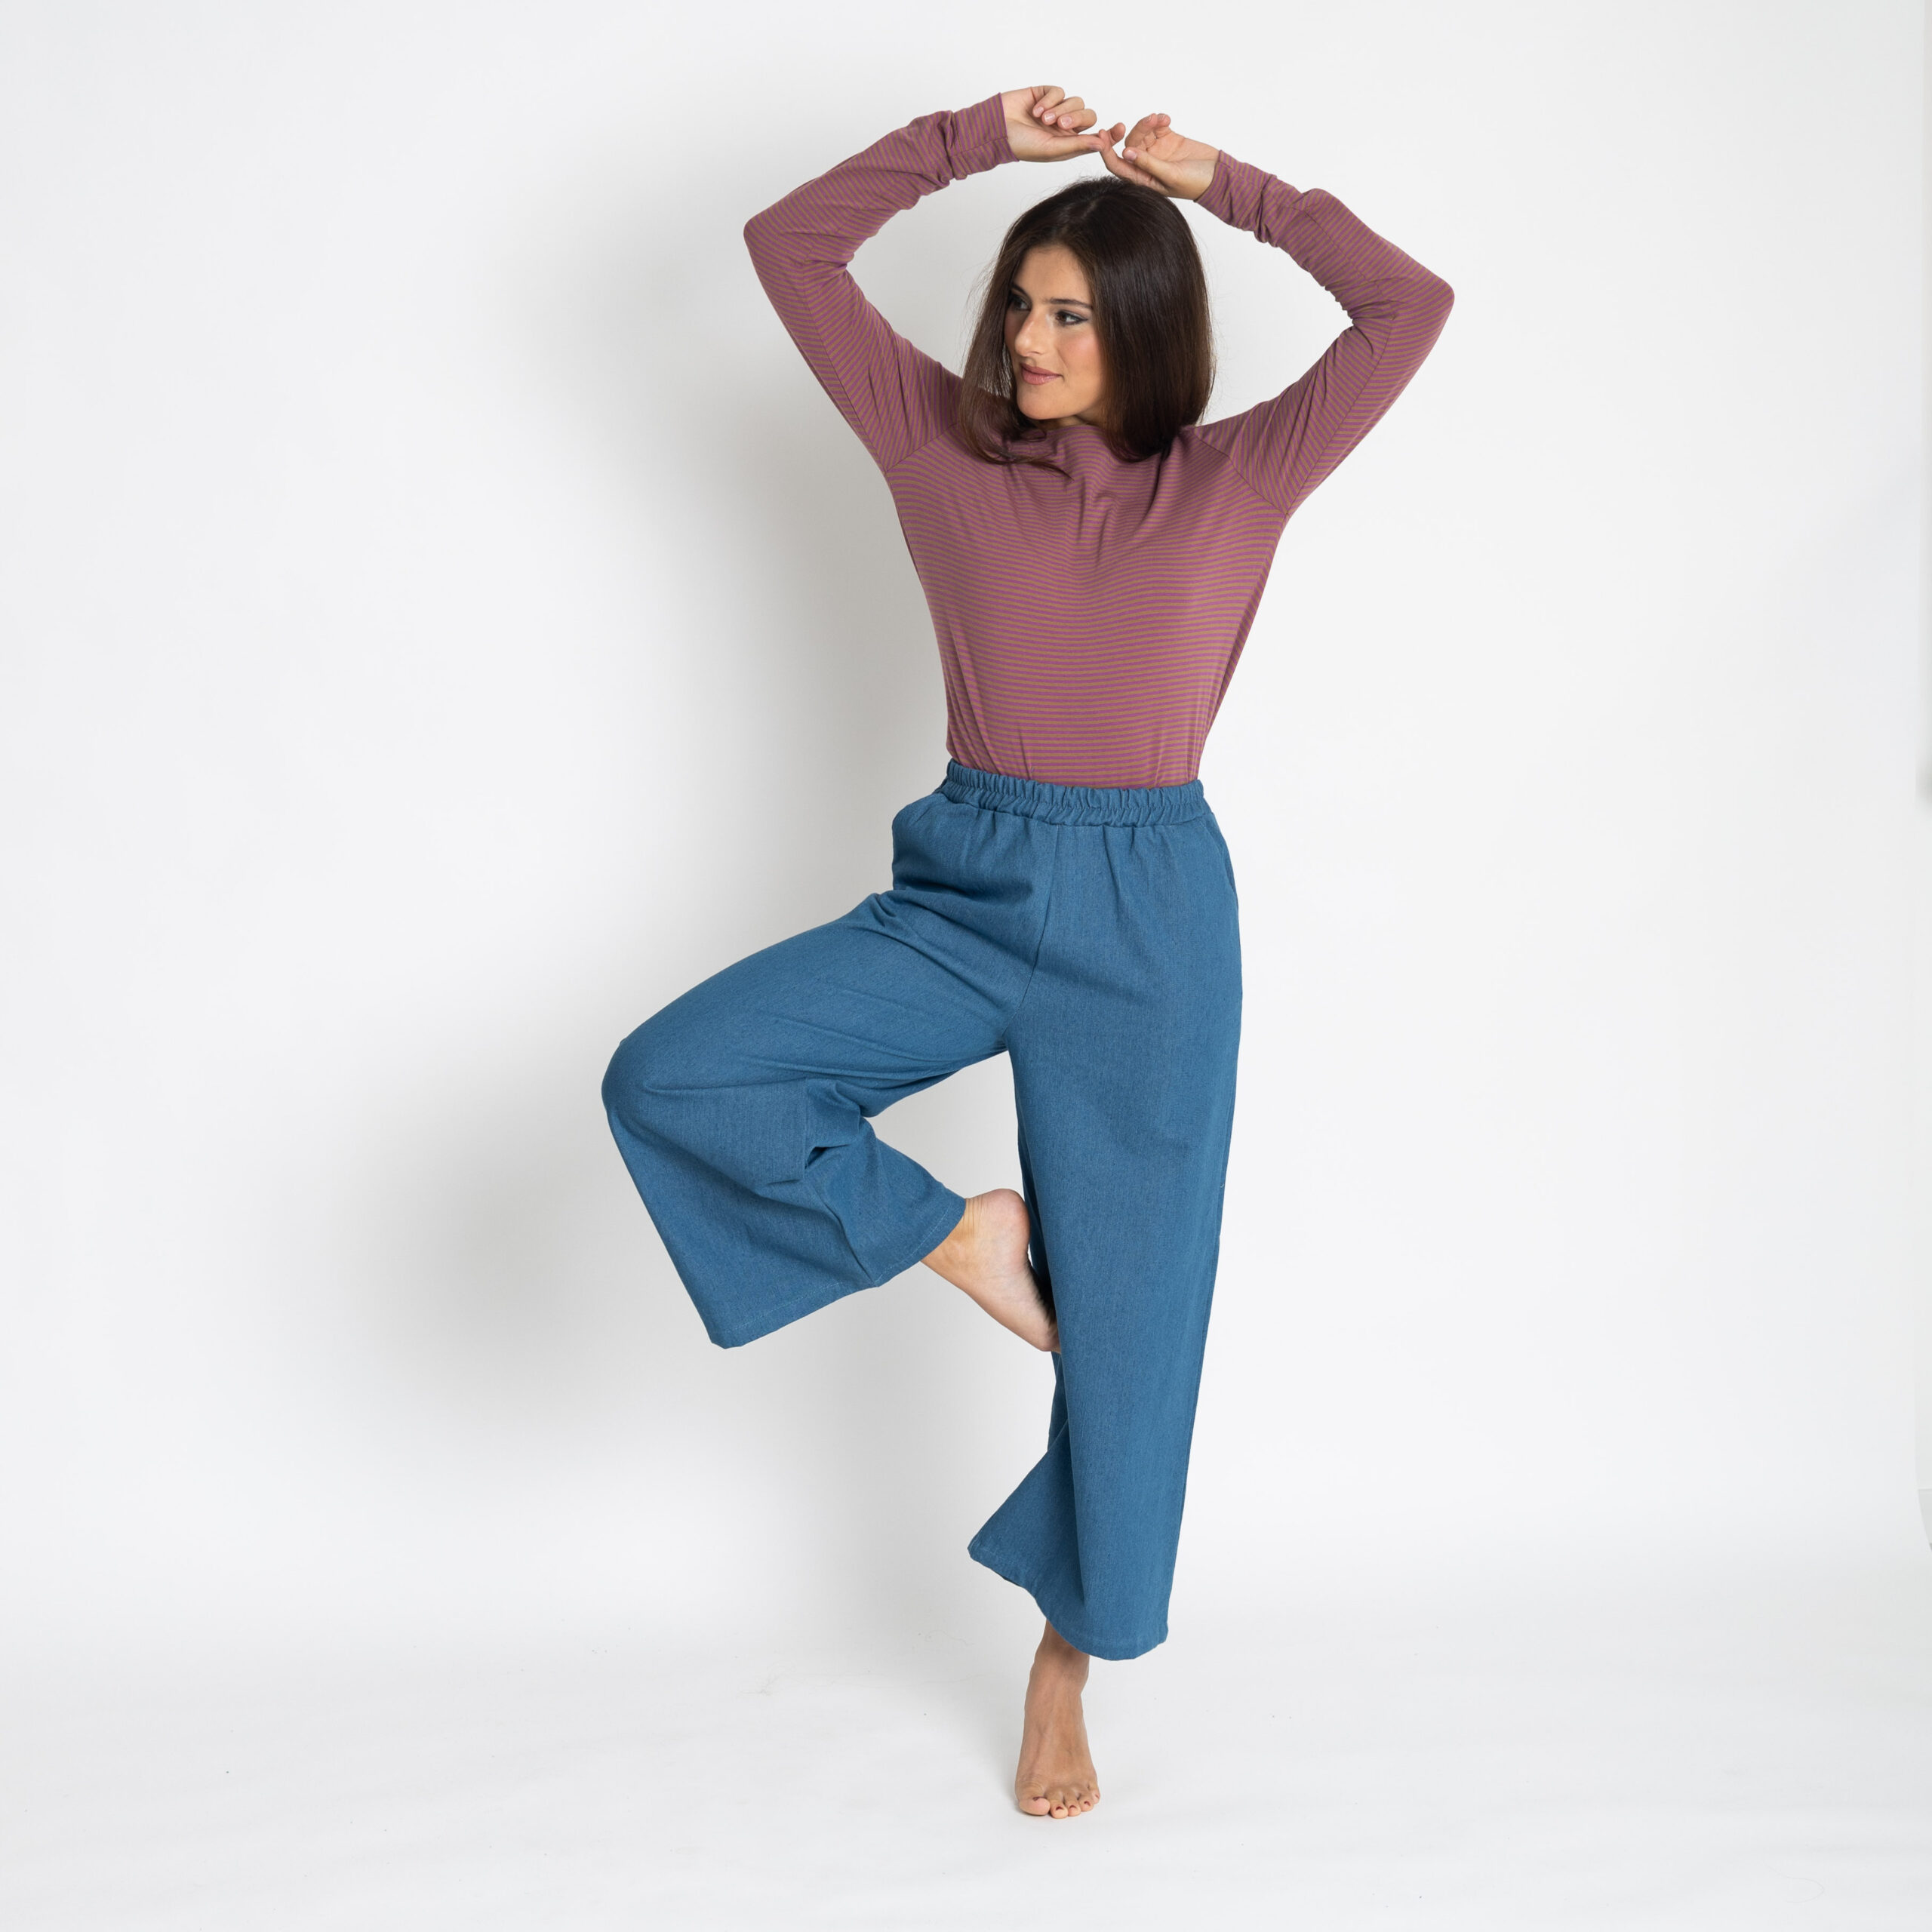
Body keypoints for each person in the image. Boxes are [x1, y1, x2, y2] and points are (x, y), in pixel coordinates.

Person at [602, 84, 1453, 1819]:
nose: (1028, 339)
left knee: (1133, 1338)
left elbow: (1405, 305)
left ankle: (1063, 1661)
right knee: (678, 1072)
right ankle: (952, 1232)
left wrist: (1226, 183)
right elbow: (788, 246)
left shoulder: (1240, 475)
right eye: (1018, 305)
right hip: (966, 889)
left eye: (1070, 313)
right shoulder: (938, 447)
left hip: (1153, 919)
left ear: (1139, 326)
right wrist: (977, 139)